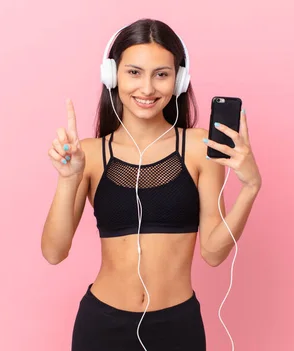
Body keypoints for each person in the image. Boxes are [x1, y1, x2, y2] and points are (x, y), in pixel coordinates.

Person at [41, 18, 262, 351]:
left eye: (161, 74)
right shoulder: (89, 154)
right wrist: (68, 179)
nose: (147, 88)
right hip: (102, 327)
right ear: (112, 76)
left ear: (180, 80)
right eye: (134, 72)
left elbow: (214, 253)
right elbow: (54, 252)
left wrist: (250, 188)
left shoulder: (200, 148)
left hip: (177, 327)